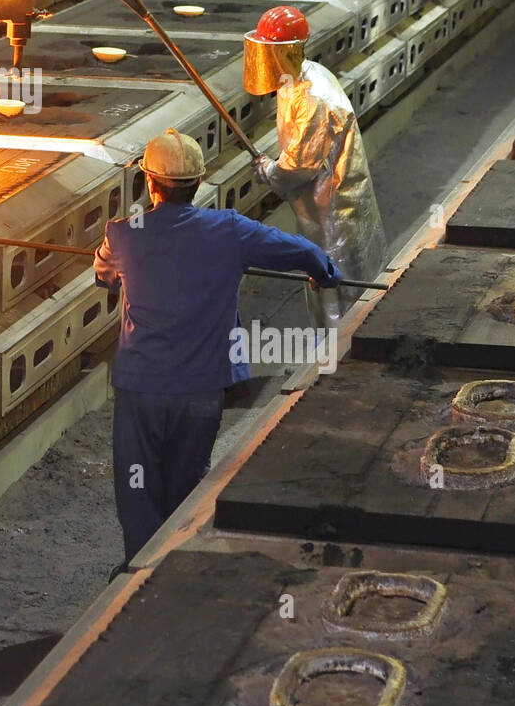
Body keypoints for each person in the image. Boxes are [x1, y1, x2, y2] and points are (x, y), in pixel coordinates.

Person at [94, 126, 343, 576]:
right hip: (201, 389)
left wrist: (116, 274)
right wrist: (323, 271)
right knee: (188, 483)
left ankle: (136, 573)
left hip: (142, 390)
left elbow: (104, 274)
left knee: (137, 486)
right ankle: (174, 569)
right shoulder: (229, 231)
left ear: (149, 183)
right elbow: (300, 252)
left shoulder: (124, 234)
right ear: (198, 184)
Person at [244, 5, 388, 328]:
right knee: (327, 278)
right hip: (321, 202)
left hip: (335, 208)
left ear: (285, 52)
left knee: (339, 285)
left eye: (268, 51)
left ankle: (341, 360)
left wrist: (268, 170)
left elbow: (298, 166)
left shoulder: (312, 98)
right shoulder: (298, 79)